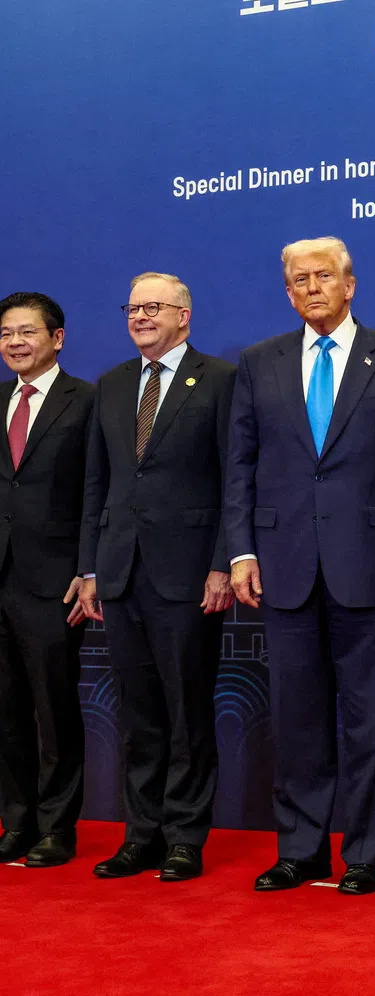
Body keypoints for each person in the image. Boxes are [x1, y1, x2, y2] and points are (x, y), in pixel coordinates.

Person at [225, 237, 375, 895]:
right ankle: (302, 850)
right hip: (283, 564)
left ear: (350, 284)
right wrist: (241, 550)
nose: (311, 287)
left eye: (322, 276)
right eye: (297, 280)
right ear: (287, 292)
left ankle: (365, 854)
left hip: (369, 566)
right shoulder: (260, 363)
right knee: (296, 716)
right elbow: (240, 466)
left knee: (369, 719)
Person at [78, 272, 235, 882]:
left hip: (189, 573)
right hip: (120, 571)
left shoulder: (219, 380)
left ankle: (184, 838)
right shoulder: (112, 385)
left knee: (187, 710)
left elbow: (232, 482)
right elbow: (99, 482)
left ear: (184, 316)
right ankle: (140, 834)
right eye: (132, 307)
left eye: (152, 307)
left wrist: (223, 562)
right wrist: (90, 566)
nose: (140, 316)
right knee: (138, 714)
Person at [0, 293, 93, 867]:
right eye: (6, 333)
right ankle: (17, 821)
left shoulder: (86, 401)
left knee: (54, 708)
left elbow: (96, 494)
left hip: (53, 580)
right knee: (6, 711)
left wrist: (87, 568)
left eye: (27, 332)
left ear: (56, 338)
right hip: (0, 579)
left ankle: (58, 827)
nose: (15, 343)